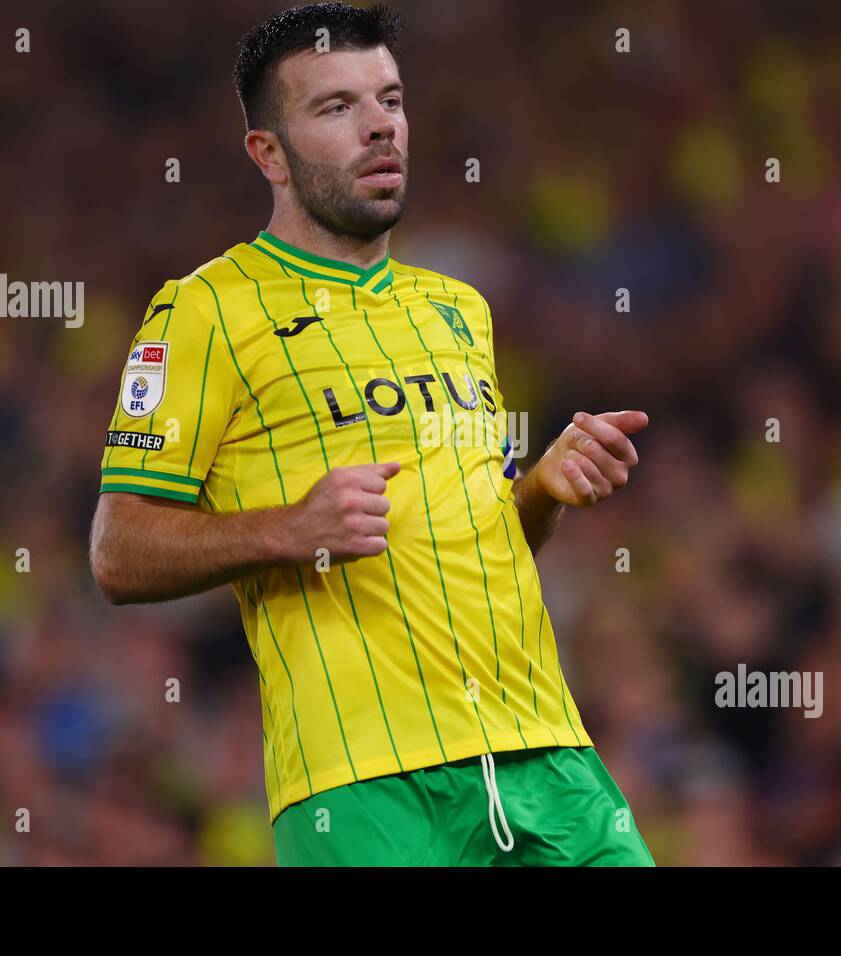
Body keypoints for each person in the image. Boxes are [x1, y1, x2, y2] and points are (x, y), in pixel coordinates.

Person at [89, 1, 652, 866]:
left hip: (548, 754)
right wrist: (287, 529)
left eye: (390, 99)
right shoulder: (203, 311)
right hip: (362, 789)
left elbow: (487, 545)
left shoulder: (460, 308)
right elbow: (115, 552)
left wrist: (540, 491)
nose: (380, 125)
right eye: (337, 107)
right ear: (267, 153)